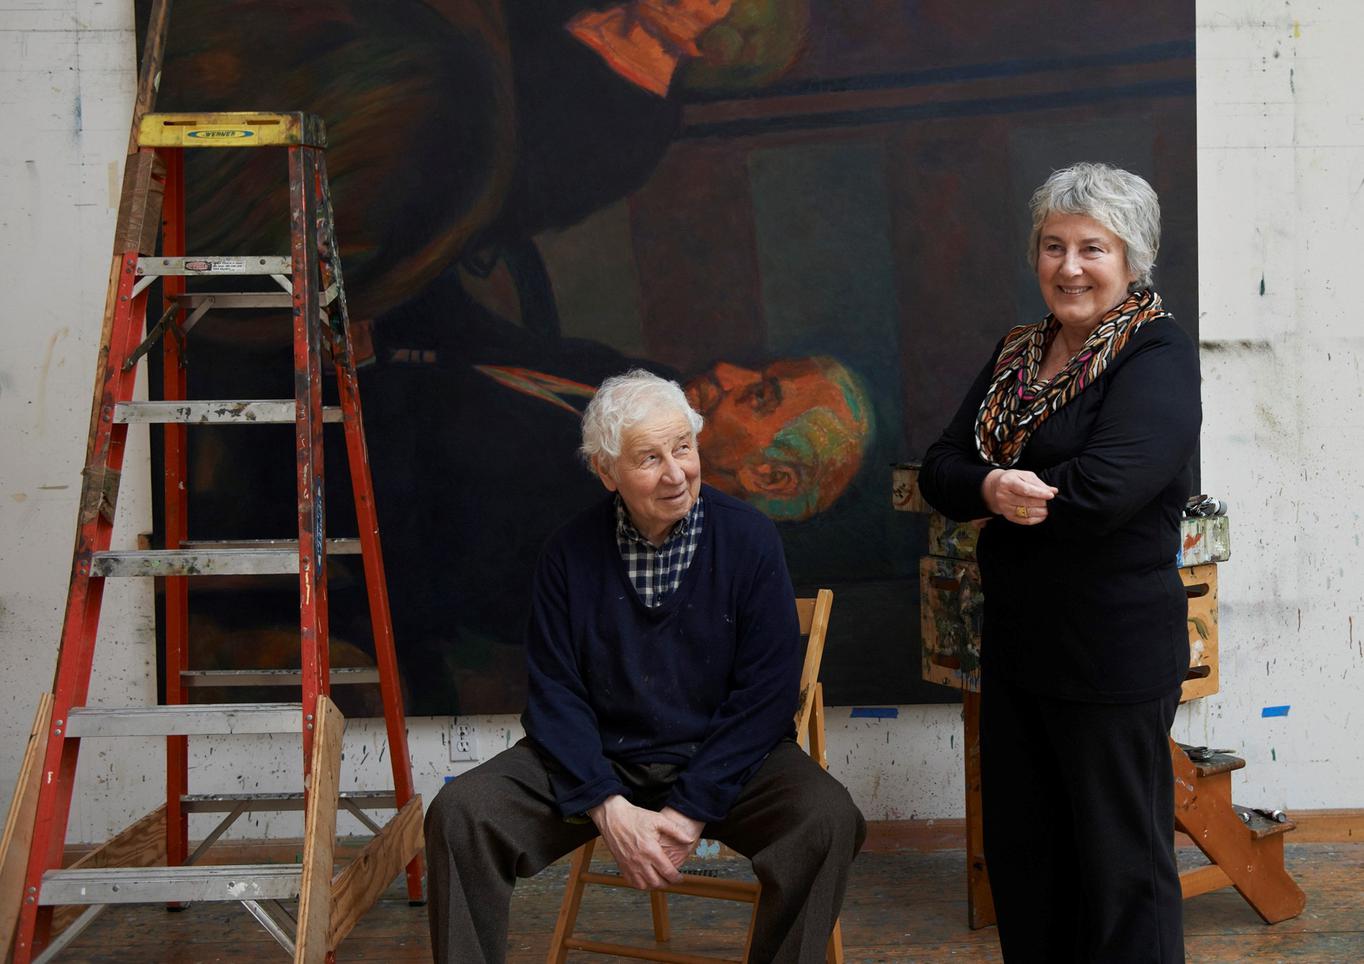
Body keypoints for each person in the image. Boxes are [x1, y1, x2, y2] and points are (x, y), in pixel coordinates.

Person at [423, 368, 866, 963]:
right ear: (607, 472)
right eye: (649, 458)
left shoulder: (751, 540)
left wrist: (688, 810)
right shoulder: (567, 553)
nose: (676, 473)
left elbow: (766, 695)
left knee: (828, 819)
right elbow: (555, 693)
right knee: (460, 815)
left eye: (682, 447)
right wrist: (607, 807)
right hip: (604, 759)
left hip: (723, 762)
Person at [918, 162, 1201, 961]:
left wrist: (998, 496)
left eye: (1091, 248)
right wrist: (990, 485)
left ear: (1132, 258)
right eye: (1053, 246)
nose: (1069, 267)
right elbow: (941, 469)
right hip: (1019, 644)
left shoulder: (1157, 352)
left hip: (1111, 651)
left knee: (1122, 870)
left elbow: (1107, 492)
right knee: (1027, 858)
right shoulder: (1019, 351)